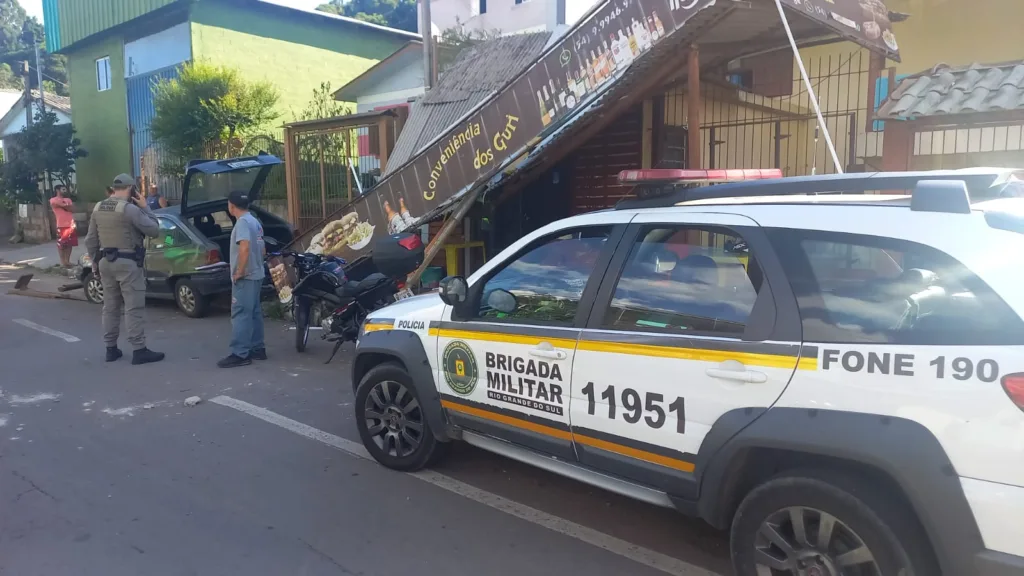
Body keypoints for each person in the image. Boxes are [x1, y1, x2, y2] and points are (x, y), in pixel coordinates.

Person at [84, 174, 165, 365]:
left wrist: (95, 262)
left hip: (105, 262)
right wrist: (145, 206)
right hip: (127, 263)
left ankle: (110, 349)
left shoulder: (98, 207)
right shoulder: (129, 209)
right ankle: (139, 350)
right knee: (133, 307)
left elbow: (90, 240)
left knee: (110, 307)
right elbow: (154, 229)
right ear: (131, 189)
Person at [218, 190, 267, 368]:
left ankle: (240, 353)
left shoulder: (242, 224)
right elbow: (262, 249)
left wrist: (239, 271)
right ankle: (257, 348)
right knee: (254, 312)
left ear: (231, 206)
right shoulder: (255, 221)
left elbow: (244, 247)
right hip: (257, 273)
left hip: (246, 276)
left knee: (240, 314)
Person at [49, 185, 76, 268]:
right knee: (61, 244)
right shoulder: (53, 200)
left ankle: (67, 261)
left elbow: (72, 209)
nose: (65, 190)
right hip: (61, 225)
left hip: (71, 224)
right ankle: (63, 262)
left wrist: (64, 205)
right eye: (63, 189)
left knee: (70, 244)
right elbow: (64, 206)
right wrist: (66, 206)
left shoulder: (68, 199)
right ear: (57, 190)